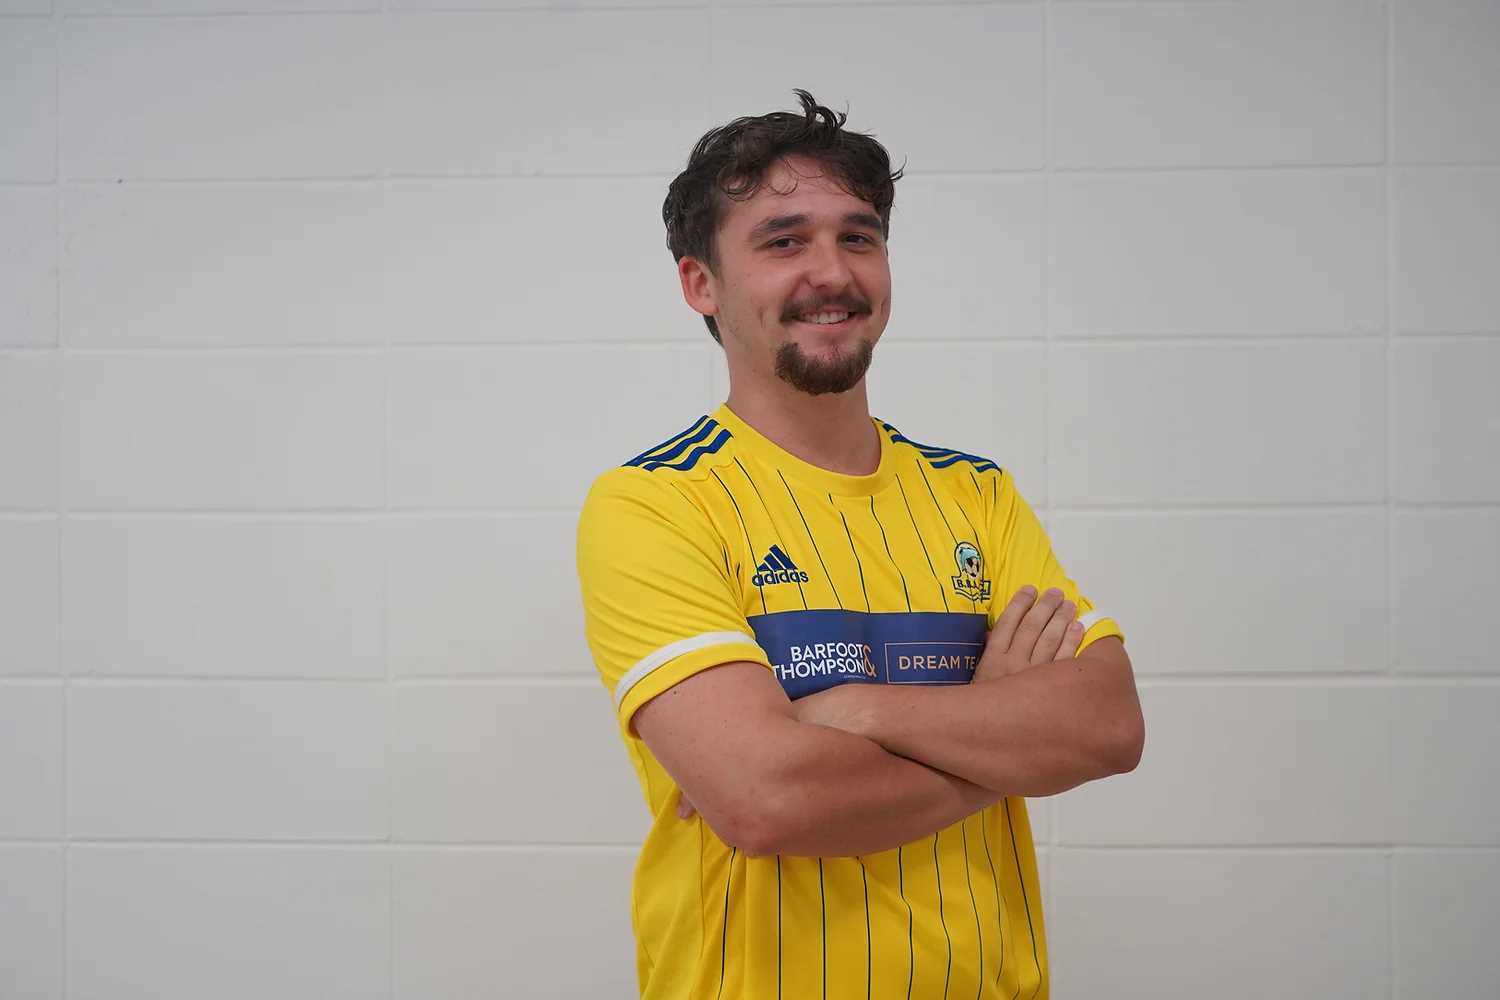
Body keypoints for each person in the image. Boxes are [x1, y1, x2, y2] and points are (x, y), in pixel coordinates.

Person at [576, 90, 1145, 1000]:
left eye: (859, 236)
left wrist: (855, 710)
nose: (831, 272)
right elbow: (768, 800)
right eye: (783, 241)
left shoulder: (977, 494)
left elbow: (1107, 726)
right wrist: (995, 733)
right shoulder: (656, 504)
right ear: (701, 284)